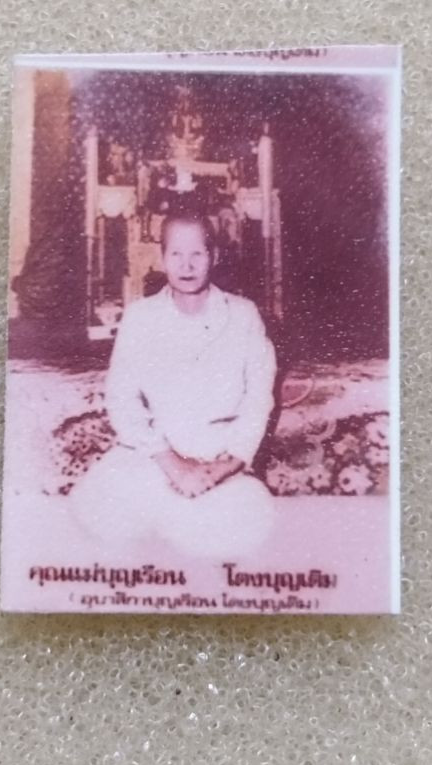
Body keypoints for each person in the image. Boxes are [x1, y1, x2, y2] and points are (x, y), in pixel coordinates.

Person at [70, 211, 277, 557]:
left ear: (214, 256)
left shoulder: (242, 314)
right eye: (176, 254)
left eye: (197, 253)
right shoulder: (140, 317)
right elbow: (121, 398)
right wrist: (173, 466)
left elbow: (259, 399)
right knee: (109, 520)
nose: (187, 265)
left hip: (217, 461)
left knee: (238, 528)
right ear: (162, 257)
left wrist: (222, 468)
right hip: (155, 458)